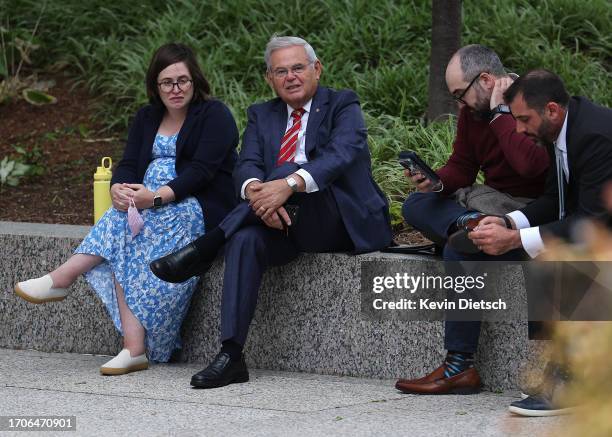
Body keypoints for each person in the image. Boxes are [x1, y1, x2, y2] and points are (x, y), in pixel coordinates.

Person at [150, 35, 392, 389]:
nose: (291, 76)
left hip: (338, 219)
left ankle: (206, 248)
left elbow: (340, 156)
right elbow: (246, 165)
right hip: (279, 221)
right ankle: (231, 354)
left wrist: (287, 185)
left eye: (298, 68)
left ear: (317, 69)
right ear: (269, 79)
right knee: (245, 239)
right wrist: (259, 195)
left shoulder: (342, 104)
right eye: (281, 71)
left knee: (283, 170)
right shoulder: (262, 114)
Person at [14, 43, 239, 375]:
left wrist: (156, 197)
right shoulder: (147, 117)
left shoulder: (214, 115)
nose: (175, 89)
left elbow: (201, 172)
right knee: (125, 220)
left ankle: (64, 281)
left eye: (183, 81)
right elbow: (129, 163)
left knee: (132, 224)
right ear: (155, 85)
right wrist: (118, 187)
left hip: (196, 206)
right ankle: (132, 350)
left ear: (195, 81)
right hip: (147, 204)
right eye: (167, 82)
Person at [396, 46, 549, 395]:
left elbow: (530, 166)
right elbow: (462, 167)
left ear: (485, 80)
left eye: (460, 96)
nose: (459, 106)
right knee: (416, 205)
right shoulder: (473, 112)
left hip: (533, 212)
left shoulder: (532, 103)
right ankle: (470, 220)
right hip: (489, 204)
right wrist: (436, 182)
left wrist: (500, 114)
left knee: (459, 248)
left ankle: (458, 366)